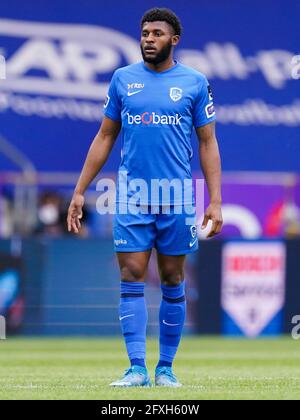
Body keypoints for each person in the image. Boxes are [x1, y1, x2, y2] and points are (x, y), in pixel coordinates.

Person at [67, 7, 223, 387]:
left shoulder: (194, 82)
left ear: (174, 40)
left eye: (156, 33)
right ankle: (136, 368)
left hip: (176, 197)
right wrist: (79, 190)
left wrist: (215, 200)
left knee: (172, 278)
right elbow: (105, 136)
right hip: (132, 196)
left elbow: (208, 142)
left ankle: (165, 369)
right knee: (131, 275)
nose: (148, 39)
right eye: (144, 33)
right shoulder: (123, 80)